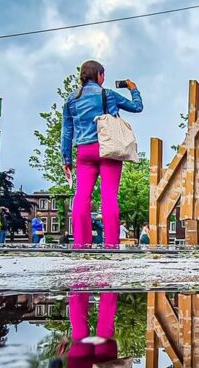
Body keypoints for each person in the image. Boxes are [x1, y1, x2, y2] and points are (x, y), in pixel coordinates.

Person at [61, 61, 143, 249]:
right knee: (109, 195)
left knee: (81, 195)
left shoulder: (71, 99)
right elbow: (137, 107)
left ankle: (81, 243)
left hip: (84, 151)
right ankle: (111, 244)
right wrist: (134, 89)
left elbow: (66, 131)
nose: (104, 78)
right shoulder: (108, 95)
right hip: (109, 149)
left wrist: (66, 159)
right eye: (103, 75)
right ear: (98, 75)